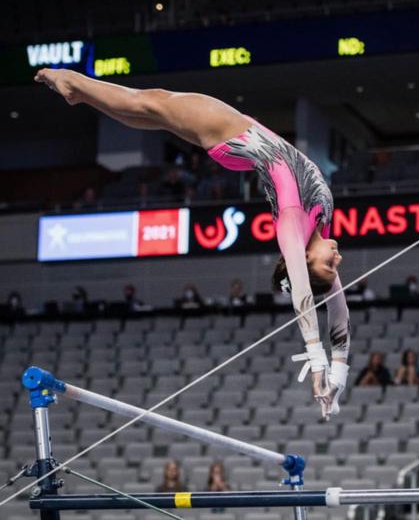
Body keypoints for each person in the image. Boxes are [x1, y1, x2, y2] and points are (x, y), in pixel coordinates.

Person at [35, 68, 350, 419]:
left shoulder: (292, 224)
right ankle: (82, 94)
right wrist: (338, 377)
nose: (337, 260)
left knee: (150, 102)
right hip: (241, 137)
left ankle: (73, 82)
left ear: (305, 259)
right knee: (152, 115)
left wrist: (316, 360)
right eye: (334, 266)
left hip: (230, 131)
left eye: (329, 265)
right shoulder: (320, 229)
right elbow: (339, 312)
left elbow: (302, 294)